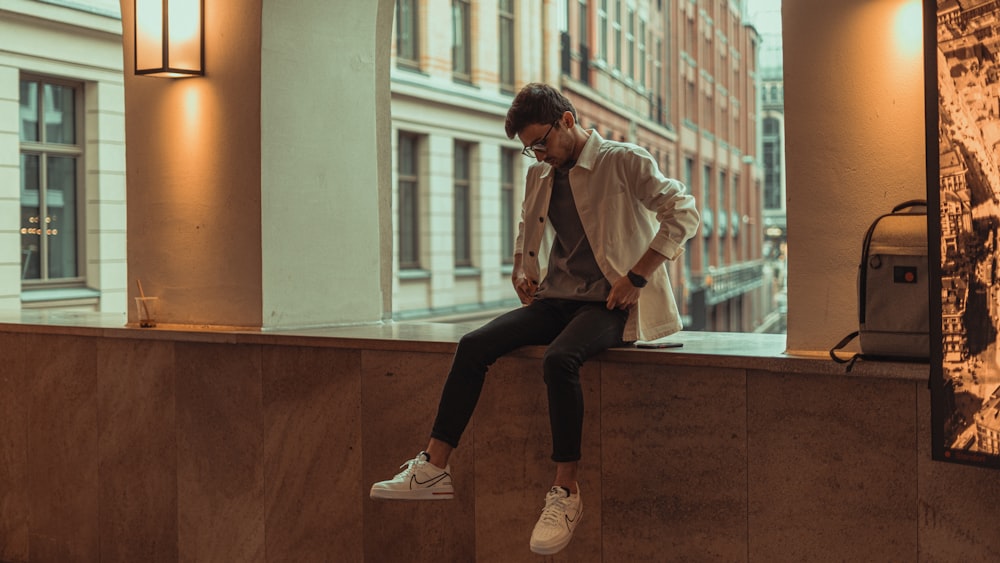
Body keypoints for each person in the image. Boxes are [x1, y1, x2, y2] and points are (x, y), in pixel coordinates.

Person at [370, 82, 700, 556]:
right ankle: (434, 466)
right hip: (555, 297)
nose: (538, 154)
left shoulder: (623, 160)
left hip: (612, 303)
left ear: (567, 120)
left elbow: (683, 212)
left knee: (559, 360)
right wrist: (520, 270)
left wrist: (637, 276)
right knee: (473, 345)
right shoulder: (542, 173)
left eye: (541, 142)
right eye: (529, 149)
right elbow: (528, 226)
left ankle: (565, 493)